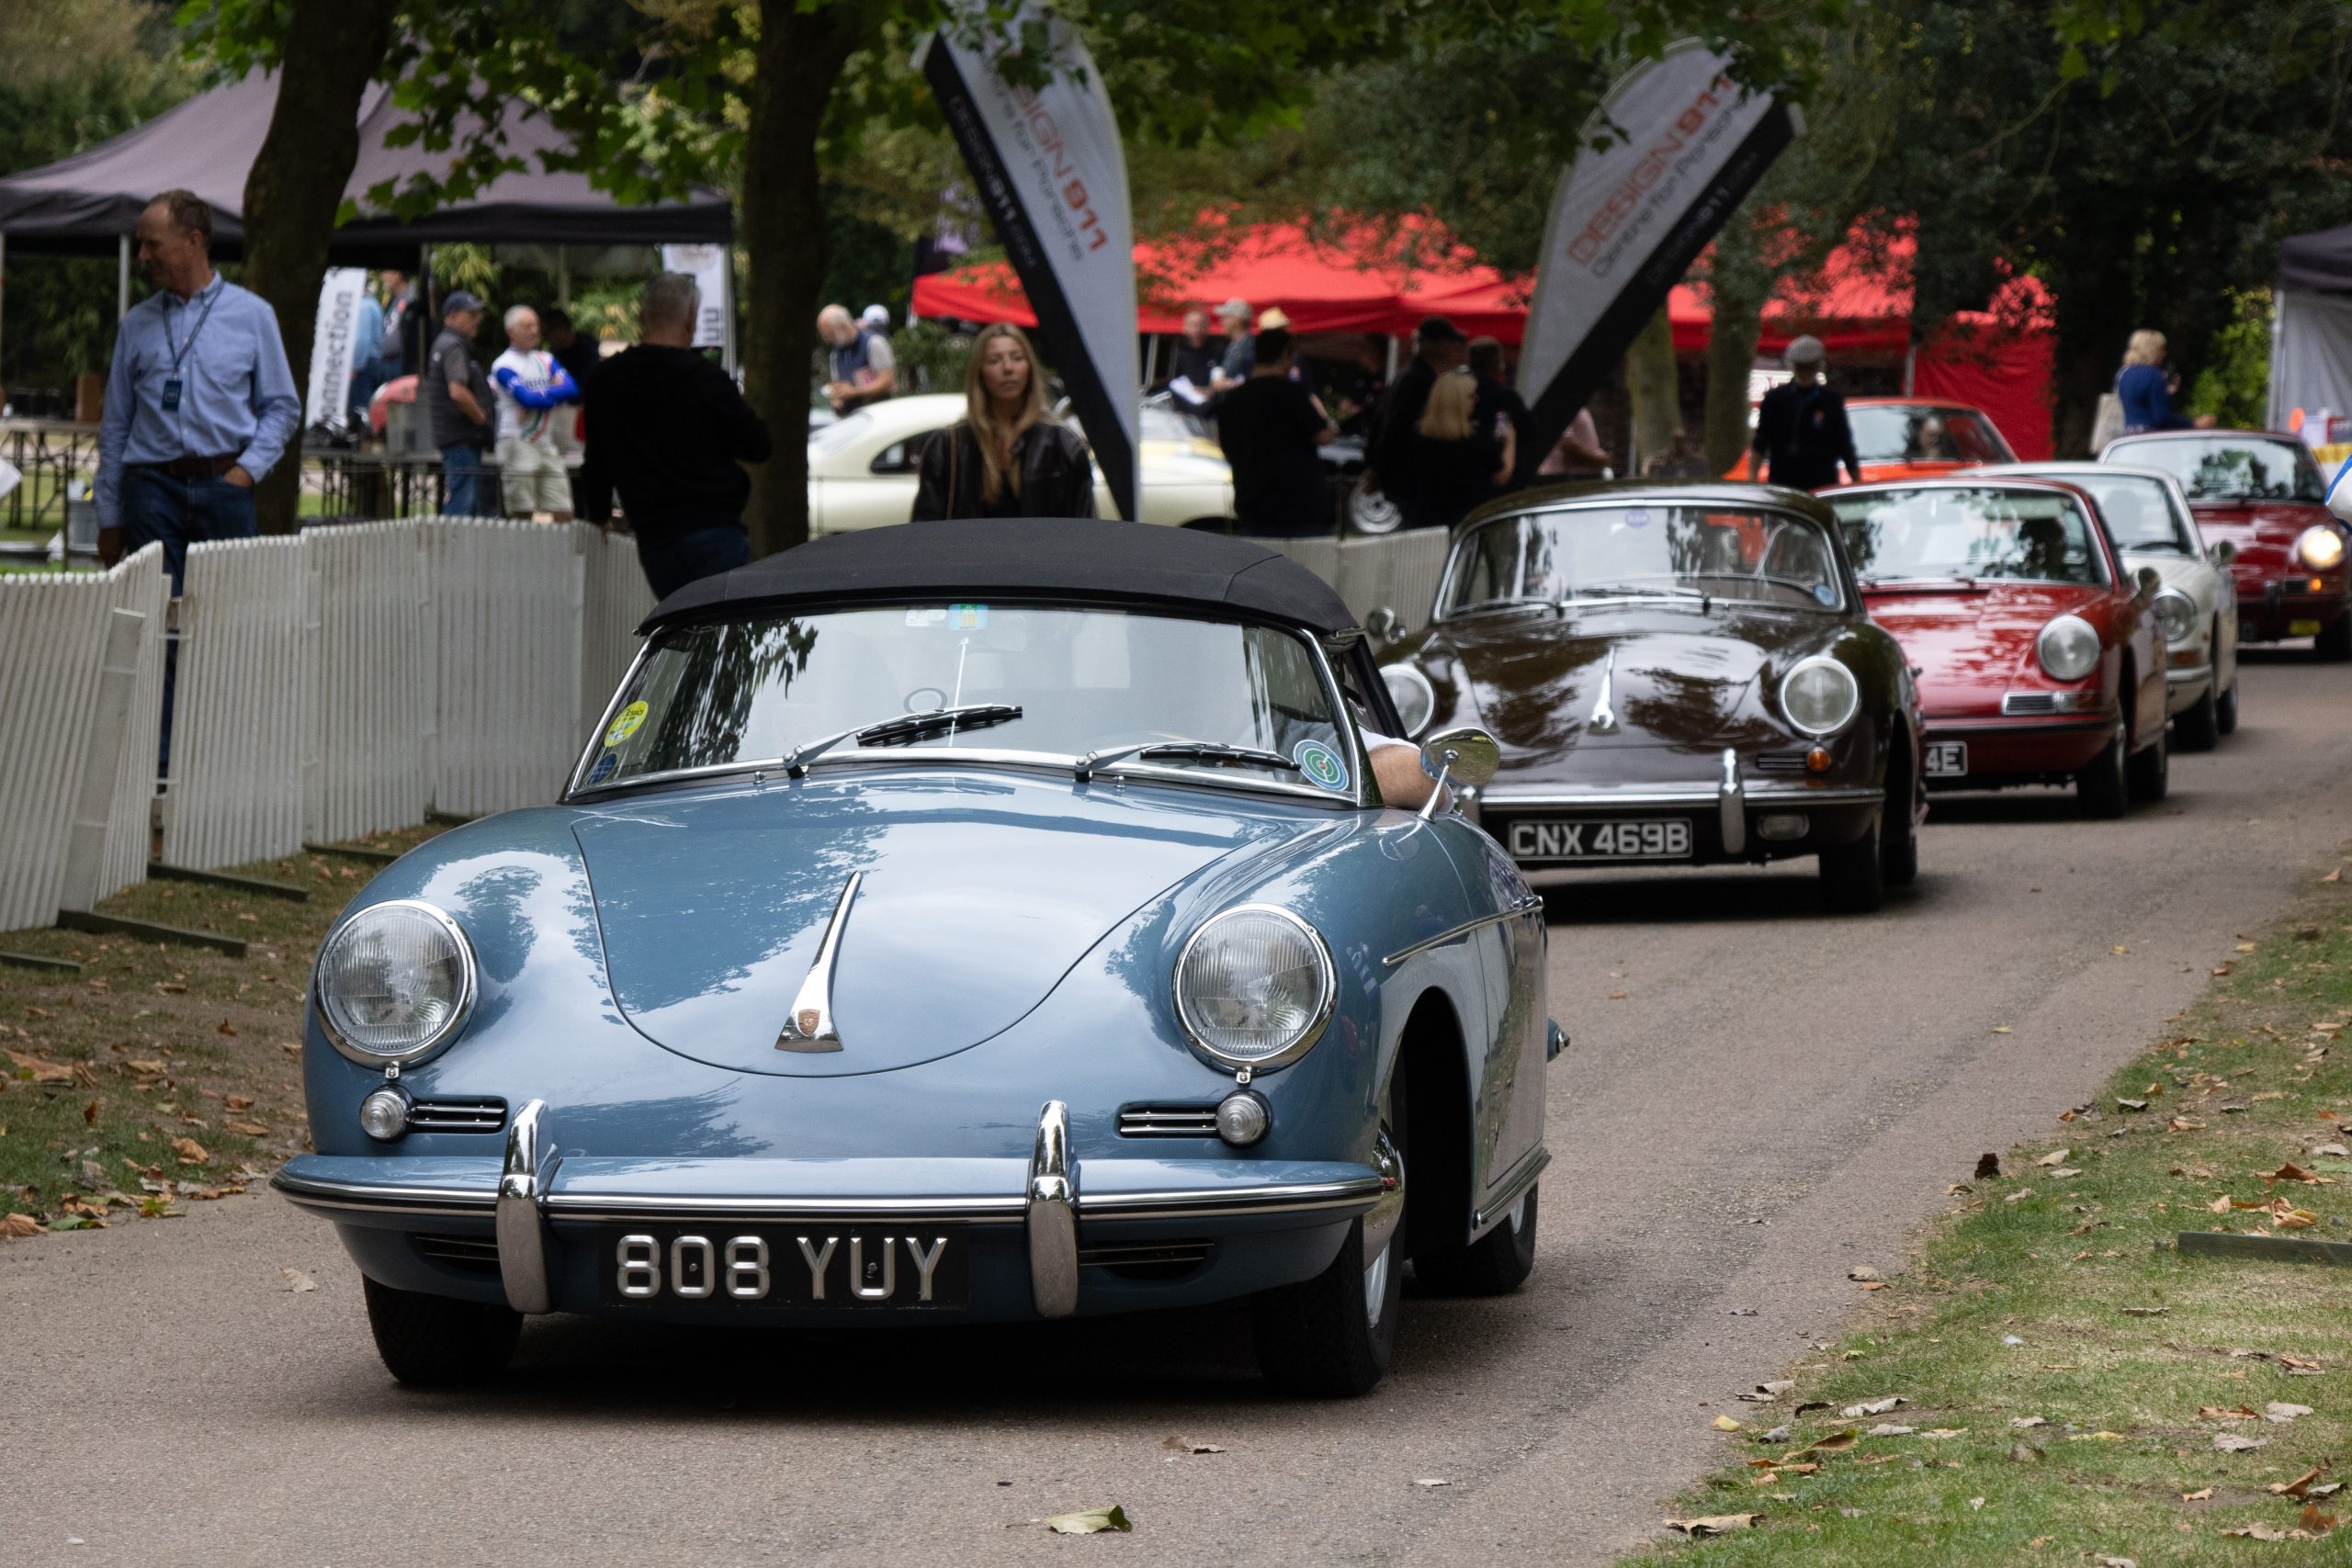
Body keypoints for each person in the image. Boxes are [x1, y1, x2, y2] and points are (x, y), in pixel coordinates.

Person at [95, 188, 300, 591]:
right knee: (153, 618)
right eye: (141, 245)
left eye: (153, 245)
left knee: (224, 624)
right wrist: (109, 516)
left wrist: (246, 472)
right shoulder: (136, 324)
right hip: (150, 491)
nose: (142, 256)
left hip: (224, 486)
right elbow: (116, 427)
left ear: (194, 241)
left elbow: (282, 408)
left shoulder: (254, 316)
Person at [579, 272, 773, 600]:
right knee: (721, 637)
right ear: (691, 320)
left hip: (655, 536)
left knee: (682, 632)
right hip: (715, 528)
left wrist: (598, 515)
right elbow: (758, 446)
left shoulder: (605, 381)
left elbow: (596, 463)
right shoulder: (708, 380)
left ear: (641, 318)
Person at [910, 322, 1095, 521]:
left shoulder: (1064, 444)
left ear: (1030, 368)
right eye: (994, 360)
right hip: (968, 552)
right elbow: (923, 532)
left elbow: (1085, 531)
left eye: (1017, 358)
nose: (1008, 368)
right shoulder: (948, 446)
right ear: (979, 371)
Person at [1216, 326, 1338, 536]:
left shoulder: (1234, 398)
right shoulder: (1291, 393)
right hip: (1298, 507)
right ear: (1285, 356)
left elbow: (1227, 448)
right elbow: (1323, 436)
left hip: (1252, 503)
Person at [1368, 316, 1469, 519]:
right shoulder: (1420, 380)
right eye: (1450, 342)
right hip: (1415, 484)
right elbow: (1394, 429)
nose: (1454, 348)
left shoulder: (1408, 374)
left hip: (1407, 481)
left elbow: (1380, 422)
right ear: (1438, 345)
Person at [489, 305, 580, 520]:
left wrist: (537, 397)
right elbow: (525, 398)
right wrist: (550, 394)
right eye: (527, 326)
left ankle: (560, 552)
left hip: (546, 443)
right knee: (522, 510)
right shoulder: (503, 364)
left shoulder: (545, 359)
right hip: (517, 440)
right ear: (511, 331)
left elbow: (572, 389)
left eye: (536, 325)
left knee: (563, 509)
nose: (534, 331)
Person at [1747, 335, 1862, 490]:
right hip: (1783, 482)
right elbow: (1761, 441)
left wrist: (1856, 480)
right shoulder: (1775, 399)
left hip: (1821, 483)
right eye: (1802, 366)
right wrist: (1752, 478)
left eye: (1808, 366)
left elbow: (1843, 442)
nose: (1805, 371)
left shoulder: (1830, 399)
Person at [1407, 367, 1510, 530]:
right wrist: (1510, 441)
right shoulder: (1475, 438)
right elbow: (1501, 476)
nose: (1476, 400)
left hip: (1425, 521)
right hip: (1467, 522)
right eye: (1470, 396)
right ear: (1457, 401)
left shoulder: (1418, 436)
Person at [424, 290, 494, 514]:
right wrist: (481, 418)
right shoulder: (454, 345)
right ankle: (447, 549)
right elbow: (457, 391)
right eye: (471, 314)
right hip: (460, 436)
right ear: (452, 316)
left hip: (455, 436)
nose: (478, 319)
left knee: (466, 498)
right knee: (464, 501)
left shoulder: (445, 343)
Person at [1467, 335, 1536, 489]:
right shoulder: (1507, 398)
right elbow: (1528, 432)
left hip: (1469, 479)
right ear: (1499, 364)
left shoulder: (1463, 395)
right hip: (1504, 478)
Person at [2117, 330, 2215, 434]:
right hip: (2149, 436)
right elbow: (2162, 417)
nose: (2164, 353)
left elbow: (2139, 403)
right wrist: (2193, 423)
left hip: (2129, 436)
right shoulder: (2154, 375)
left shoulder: (2123, 374)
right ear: (2151, 350)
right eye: (2161, 349)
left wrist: (2166, 392)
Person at [819, 303, 896, 413]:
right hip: (852, 419)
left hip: (878, 415)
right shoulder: (836, 354)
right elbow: (838, 385)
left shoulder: (874, 343)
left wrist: (854, 392)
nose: (828, 340)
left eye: (829, 334)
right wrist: (837, 399)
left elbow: (887, 381)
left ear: (842, 326)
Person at [348, 282, 386, 429]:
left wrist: (355, 366)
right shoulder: (374, 304)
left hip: (365, 363)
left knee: (360, 408)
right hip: (374, 361)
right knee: (367, 405)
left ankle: (361, 441)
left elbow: (362, 340)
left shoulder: (364, 306)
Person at [540, 306, 602, 393]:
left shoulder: (587, 351)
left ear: (562, 329)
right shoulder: (555, 353)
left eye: (547, 334)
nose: (545, 339)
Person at [1537, 408, 1611, 479]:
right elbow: (1566, 445)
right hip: (1563, 480)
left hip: (1577, 480)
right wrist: (1598, 460)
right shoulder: (1560, 406)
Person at [1168, 307, 1219, 397]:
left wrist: (1210, 390)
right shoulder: (1178, 354)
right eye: (1193, 325)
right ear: (1185, 328)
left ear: (1207, 327)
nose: (1197, 329)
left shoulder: (1218, 351)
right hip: (1185, 402)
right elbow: (1173, 382)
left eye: (1201, 324)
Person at [1211, 298, 1254, 390]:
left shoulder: (1250, 347)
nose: (1221, 321)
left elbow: (1253, 379)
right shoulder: (1233, 346)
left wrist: (1228, 384)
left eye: (1225, 317)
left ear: (1236, 319)